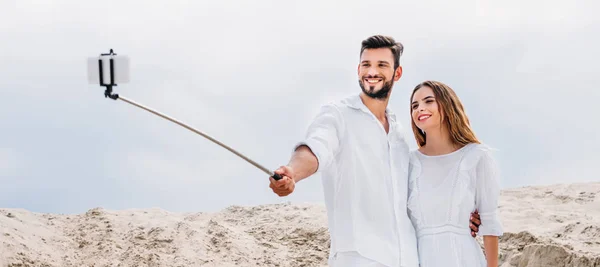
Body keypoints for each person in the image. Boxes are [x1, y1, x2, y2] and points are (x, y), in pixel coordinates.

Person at [268, 35, 480, 267]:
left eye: (382, 65)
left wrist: (461, 217)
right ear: (358, 70)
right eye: (367, 64)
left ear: (396, 73)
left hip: (408, 259)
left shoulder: (399, 135)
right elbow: (316, 147)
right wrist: (293, 172)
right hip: (359, 258)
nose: (372, 71)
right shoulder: (338, 114)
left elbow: (415, 200)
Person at [407, 80, 503, 267]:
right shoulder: (408, 162)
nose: (420, 109)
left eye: (428, 101)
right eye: (415, 105)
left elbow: (489, 221)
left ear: (447, 104)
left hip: (463, 257)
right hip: (418, 258)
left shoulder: (476, 155)